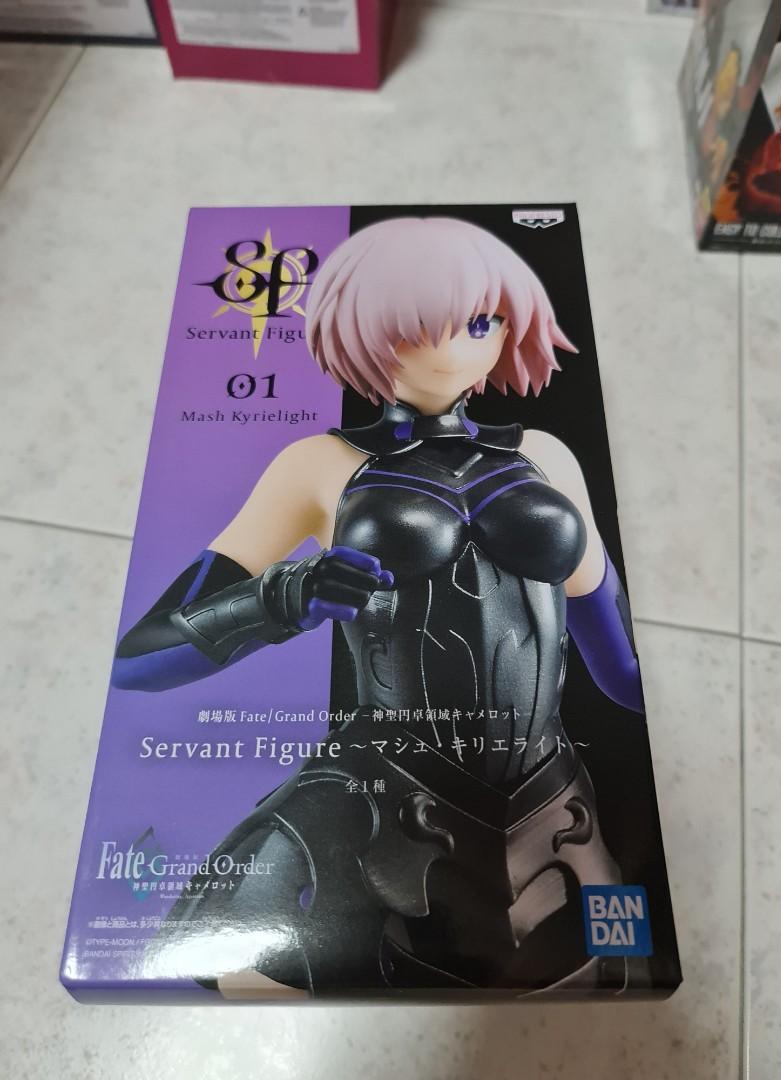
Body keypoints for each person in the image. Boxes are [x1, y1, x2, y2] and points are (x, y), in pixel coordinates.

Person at [114, 217, 644, 997]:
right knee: (241, 971)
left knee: (616, 977)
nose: (455, 343)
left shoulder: (545, 457)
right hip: (373, 800)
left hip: (553, 812)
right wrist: (282, 597)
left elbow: (622, 669)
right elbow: (139, 659)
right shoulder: (318, 464)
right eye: (421, 321)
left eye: (481, 320)